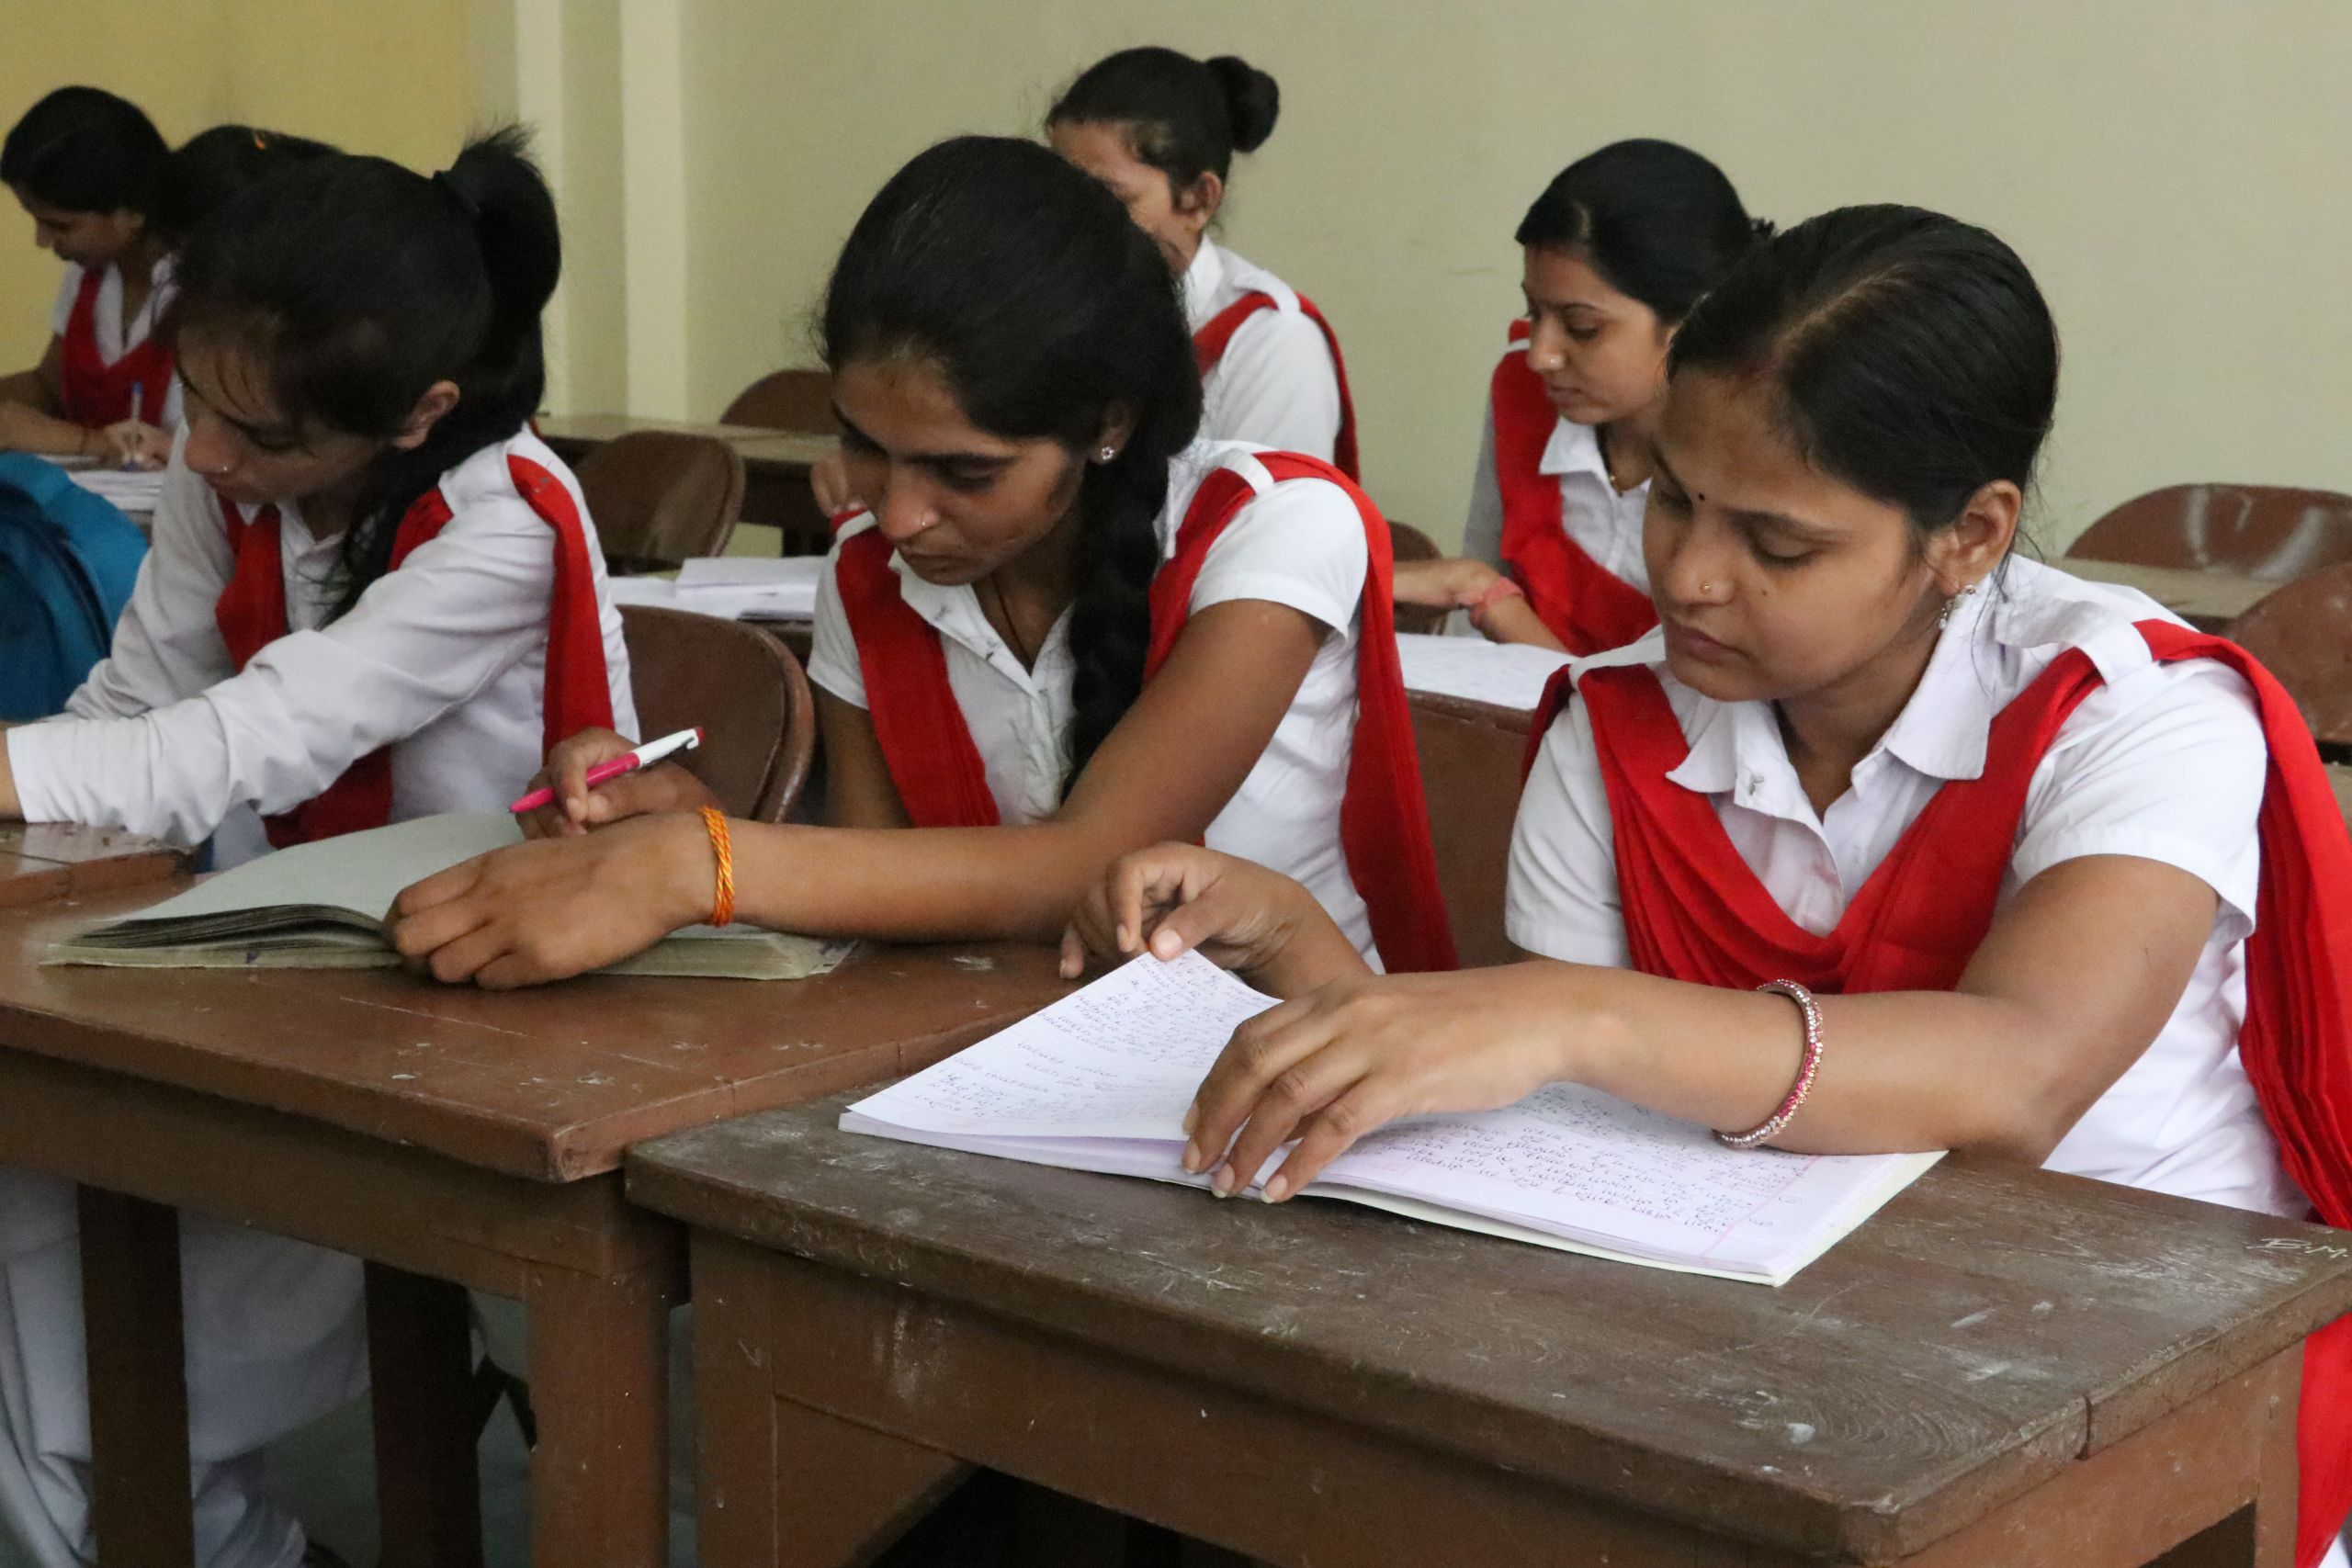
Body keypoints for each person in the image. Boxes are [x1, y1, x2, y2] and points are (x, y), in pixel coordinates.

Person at [1069, 205, 2352, 1568]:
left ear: (1972, 535)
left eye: (1778, 544)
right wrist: (1325, 967)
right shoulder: (1615, 727)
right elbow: (1571, 1141)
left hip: (2152, 1387)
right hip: (1785, 1360)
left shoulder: (2132, 715)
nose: (1687, 573)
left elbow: (2019, 1074)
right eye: (1674, 495)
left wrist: (1572, 1011)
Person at [0, 130, 634, 1568]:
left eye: (264, 440)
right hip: (273, 987)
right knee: (28, 1247)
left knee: (62, 1389)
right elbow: (132, 707)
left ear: (419, 411)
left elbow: (242, 743)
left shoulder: (499, 528)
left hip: (466, 1043)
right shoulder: (231, 457)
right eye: (195, 405)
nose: (208, 457)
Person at [387, 135, 1452, 988]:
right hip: (1001, 1053)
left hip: (1285, 1050)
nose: (893, 514)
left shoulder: (1274, 526)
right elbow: (879, 886)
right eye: (861, 446)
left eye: (963, 472)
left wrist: (695, 864)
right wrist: (677, 817)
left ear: (1107, 424)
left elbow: (1091, 863)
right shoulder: (865, 575)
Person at [1394, 140, 1763, 654]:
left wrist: (1489, 600)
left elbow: (1694, 703)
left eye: (1582, 326)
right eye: (1533, 311)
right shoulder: (1523, 393)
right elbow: (1477, 644)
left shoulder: (1759, 457)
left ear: (1696, 322)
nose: (1541, 355)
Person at [0, 86, 175, 468]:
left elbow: (190, 448)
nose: (42, 241)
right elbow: (49, 387)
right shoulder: (90, 275)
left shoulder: (200, 294)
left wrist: (85, 443)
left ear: (132, 211)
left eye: (59, 226)